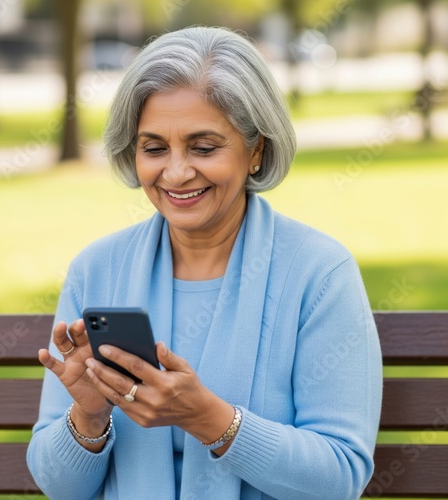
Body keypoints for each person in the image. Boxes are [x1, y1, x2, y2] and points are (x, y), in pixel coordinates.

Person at [27, 26, 382, 500]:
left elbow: (339, 477)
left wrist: (208, 419)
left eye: (203, 147)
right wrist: (88, 417)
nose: (175, 172)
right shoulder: (97, 269)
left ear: (256, 149)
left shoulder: (319, 274)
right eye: (154, 148)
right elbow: (60, 488)